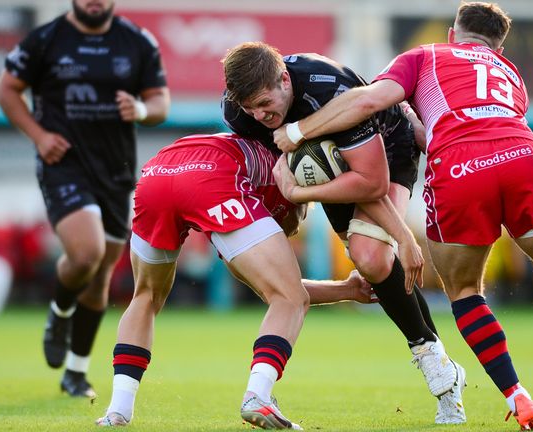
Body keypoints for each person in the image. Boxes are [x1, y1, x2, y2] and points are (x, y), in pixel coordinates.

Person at [271, 2, 533, 431]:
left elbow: (371, 99)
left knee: (464, 291)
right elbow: (482, 123)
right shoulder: (509, 73)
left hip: (461, 168)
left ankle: (519, 398)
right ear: (499, 46)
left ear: (452, 33)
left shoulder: (425, 55)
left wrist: (297, 132)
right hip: (523, 155)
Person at [223, 42, 466, 424]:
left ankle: (432, 360)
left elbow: (370, 183)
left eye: (264, 102)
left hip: (387, 148)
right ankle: (443, 366)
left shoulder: (329, 90)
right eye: (249, 107)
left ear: (285, 79)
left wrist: (300, 193)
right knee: (371, 260)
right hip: (328, 162)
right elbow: (282, 161)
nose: (259, 114)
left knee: (372, 257)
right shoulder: (241, 109)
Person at [95, 132, 376, 428]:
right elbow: (288, 295)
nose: (295, 229)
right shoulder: (276, 191)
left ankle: (118, 411)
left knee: (146, 296)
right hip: (214, 173)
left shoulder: (250, 176)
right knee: (290, 299)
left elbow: (272, 289)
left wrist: (348, 289)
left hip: (158, 172)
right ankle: (258, 395)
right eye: (301, 215)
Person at [0, 0, 170, 398]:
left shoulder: (137, 41)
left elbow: (160, 103)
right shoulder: (46, 39)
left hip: (116, 169)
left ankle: (76, 371)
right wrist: (39, 137)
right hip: (64, 164)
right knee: (86, 253)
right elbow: (6, 89)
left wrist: (141, 108)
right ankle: (59, 312)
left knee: (101, 273)